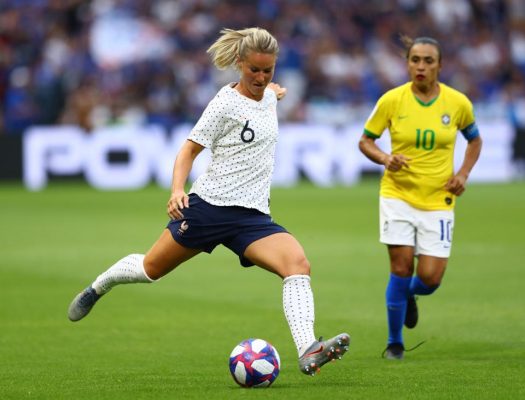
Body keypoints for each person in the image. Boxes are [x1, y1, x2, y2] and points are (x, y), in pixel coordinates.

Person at [68, 27, 350, 375]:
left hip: (253, 217)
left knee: (297, 265)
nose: (261, 78)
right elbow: (189, 149)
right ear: (239, 63)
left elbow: (268, 96)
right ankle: (100, 285)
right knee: (150, 270)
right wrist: (176, 190)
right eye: (254, 71)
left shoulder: (269, 96)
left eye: (268, 71)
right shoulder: (225, 102)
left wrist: (274, 92)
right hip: (209, 209)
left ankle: (308, 349)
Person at [358, 36, 482, 360]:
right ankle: (394, 343)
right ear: (408, 63)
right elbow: (366, 141)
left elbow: (475, 140)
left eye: (428, 61)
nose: (421, 67)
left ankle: (410, 295)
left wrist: (463, 174)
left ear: (440, 65)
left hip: (439, 199)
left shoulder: (458, 103)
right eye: (415, 60)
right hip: (397, 193)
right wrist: (386, 159)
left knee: (430, 278)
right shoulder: (392, 100)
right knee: (400, 267)